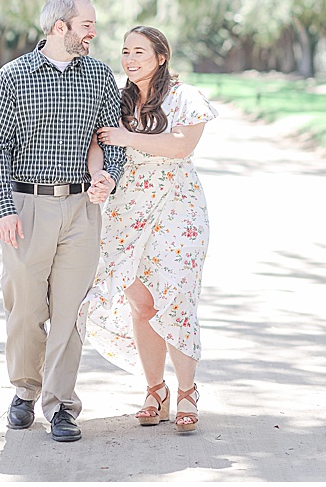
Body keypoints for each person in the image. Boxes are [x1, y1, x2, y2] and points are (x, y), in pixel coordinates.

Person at [0, 0, 126, 442]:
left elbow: (113, 141)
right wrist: (4, 208)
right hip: (26, 207)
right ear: (60, 26)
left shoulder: (100, 76)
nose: (93, 33)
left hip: (82, 210)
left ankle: (61, 405)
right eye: (86, 25)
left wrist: (110, 179)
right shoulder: (12, 77)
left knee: (70, 313)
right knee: (25, 309)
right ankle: (25, 391)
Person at [83, 25, 217, 433]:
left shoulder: (184, 97)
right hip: (125, 209)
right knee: (141, 303)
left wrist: (129, 136)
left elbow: (180, 146)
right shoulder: (115, 99)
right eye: (125, 51)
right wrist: (98, 176)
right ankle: (154, 390)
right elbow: (97, 145)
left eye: (140, 51)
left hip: (177, 207)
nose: (130, 59)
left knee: (176, 297)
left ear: (161, 56)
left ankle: (188, 392)